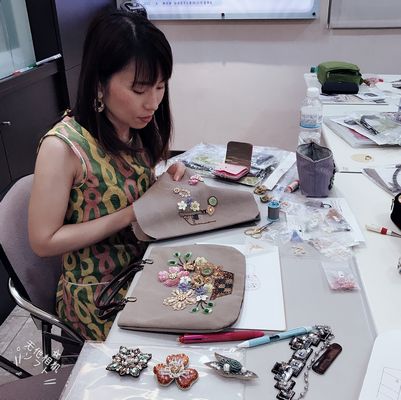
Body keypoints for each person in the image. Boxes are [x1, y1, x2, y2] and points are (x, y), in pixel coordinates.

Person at [28, 9, 185, 341]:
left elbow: (133, 193)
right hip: (99, 294)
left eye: (160, 87)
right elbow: (43, 241)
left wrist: (164, 184)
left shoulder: (133, 128)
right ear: (100, 84)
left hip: (144, 266)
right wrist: (129, 214)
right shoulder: (63, 147)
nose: (153, 102)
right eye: (139, 89)